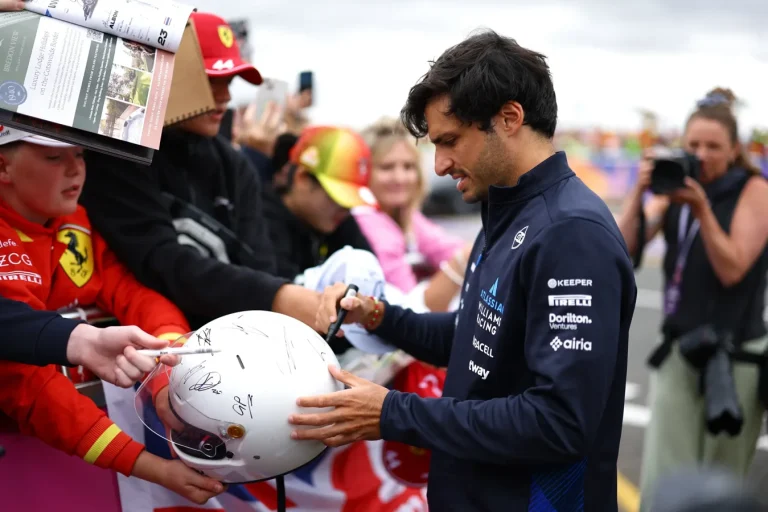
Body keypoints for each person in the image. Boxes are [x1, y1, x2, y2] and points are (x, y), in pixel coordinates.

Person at [289, 30, 636, 511]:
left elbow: (559, 421)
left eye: (450, 141)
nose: (439, 165)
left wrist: (394, 412)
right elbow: (478, 336)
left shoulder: (570, 232)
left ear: (509, 118)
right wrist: (379, 317)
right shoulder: (507, 210)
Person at [0, 128, 224, 505]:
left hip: (86, 450)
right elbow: (27, 384)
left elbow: (132, 295)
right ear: (3, 166)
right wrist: (150, 467)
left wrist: (169, 366)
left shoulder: (74, 221)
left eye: (80, 155)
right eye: (54, 158)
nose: (75, 170)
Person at [80, 11, 320, 332]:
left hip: (239, 338)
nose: (226, 97)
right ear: (169, 74)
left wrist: (275, 296)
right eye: (209, 81)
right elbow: (160, 263)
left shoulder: (235, 166)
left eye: (230, 81)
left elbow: (261, 262)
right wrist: (275, 295)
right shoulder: (119, 154)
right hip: (148, 346)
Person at [615, 88, 768, 511]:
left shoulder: (754, 190)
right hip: (680, 350)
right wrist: (639, 195)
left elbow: (733, 268)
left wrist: (701, 209)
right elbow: (623, 250)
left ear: (734, 149)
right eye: (693, 145)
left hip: (735, 359)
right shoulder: (676, 185)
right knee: (663, 478)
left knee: (721, 482)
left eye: (713, 147)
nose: (701, 155)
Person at [355, 117, 471, 311]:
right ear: (364, 172)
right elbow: (410, 309)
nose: (399, 178)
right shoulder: (367, 220)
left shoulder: (407, 217)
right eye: (387, 167)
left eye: (408, 167)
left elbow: (445, 246)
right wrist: (462, 261)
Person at [263, 125, 377, 280]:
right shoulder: (262, 221)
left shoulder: (336, 220)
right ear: (301, 178)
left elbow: (371, 273)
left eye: (351, 201)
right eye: (337, 198)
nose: (346, 209)